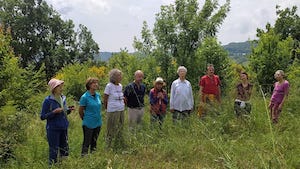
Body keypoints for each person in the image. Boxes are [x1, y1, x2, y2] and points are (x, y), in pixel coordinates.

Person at [40, 78, 74, 165]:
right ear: (53, 88)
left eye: (61, 86)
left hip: (63, 127)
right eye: (59, 87)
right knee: (54, 150)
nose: (61, 88)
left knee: (65, 149)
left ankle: (63, 166)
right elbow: (42, 116)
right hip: (53, 129)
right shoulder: (47, 101)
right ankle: (52, 166)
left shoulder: (63, 98)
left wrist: (69, 110)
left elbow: (64, 112)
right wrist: (53, 112)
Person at [79, 77, 102, 156]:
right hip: (88, 123)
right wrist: (85, 119)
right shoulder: (84, 97)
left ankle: (93, 157)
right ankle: (84, 158)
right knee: (87, 142)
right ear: (89, 85)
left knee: (94, 141)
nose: (96, 84)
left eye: (96, 83)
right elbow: (81, 111)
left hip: (98, 122)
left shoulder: (98, 95)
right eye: (93, 83)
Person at [103, 69, 125, 149]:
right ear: (114, 77)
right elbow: (105, 99)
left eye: (120, 75)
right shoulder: (109, 86)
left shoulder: (120, 86)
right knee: (110, 129)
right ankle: (108, 146)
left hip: (121, 109)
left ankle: (118, 144)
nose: (120, 77)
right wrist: (107, 108)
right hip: (112, 110)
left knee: (120, 127)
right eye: (119, 75)